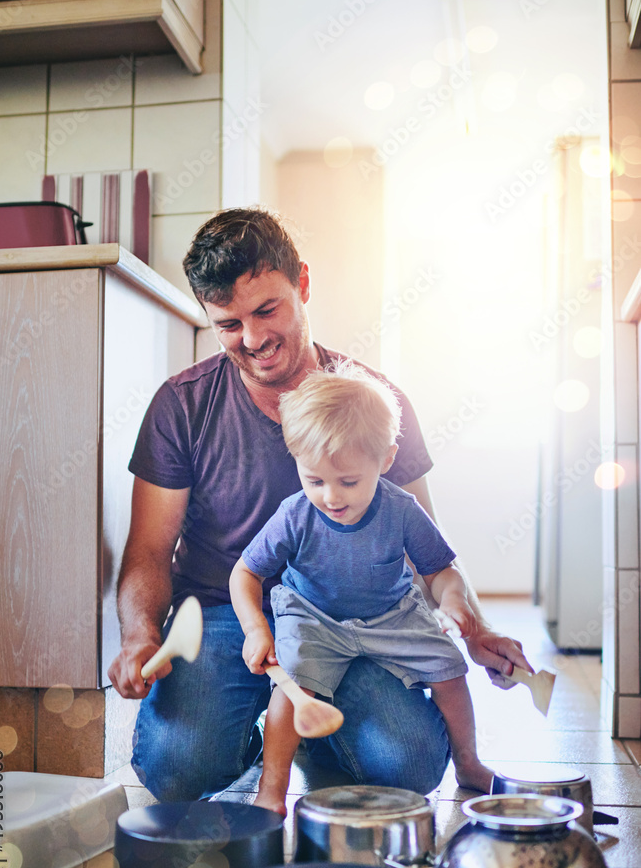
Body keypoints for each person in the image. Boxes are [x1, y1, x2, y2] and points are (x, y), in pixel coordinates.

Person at [108, 207, 533, 803]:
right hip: (224, 612)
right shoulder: (182, 406)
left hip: (354, 614)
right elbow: (150, 550)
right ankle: (259, 740)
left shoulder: (376, 404)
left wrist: (474, 628)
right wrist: (137, 635)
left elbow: (424, 548)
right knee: (176, 768)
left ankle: (312, 736)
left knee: (407, 769)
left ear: (302, 285)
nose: (253, 340)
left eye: (266, 310)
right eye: (229, 324)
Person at [230, 364, 494, 815]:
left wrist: (452, 600)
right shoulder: (294, 514)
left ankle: (468, 763)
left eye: (348, 481)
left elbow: (440, 570)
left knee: (450, 669)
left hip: (392, 614)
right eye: (314, 480)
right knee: (292, 685)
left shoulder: (402, 509)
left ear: (385, 460)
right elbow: (245, 573)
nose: (331, 497)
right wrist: (256, 629)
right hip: (313, 616)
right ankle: (272, 788)